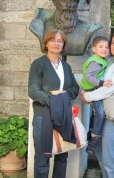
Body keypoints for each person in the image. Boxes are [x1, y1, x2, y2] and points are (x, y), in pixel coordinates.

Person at [81, 31, 114, 178]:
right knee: (100, 153)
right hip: (104, 113)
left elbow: (110, 88)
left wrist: (88, 96)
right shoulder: (109, 61)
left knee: (111, 160)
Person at [28, 29, 80, 178]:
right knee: (43, 156)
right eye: (53, 40)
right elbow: (33, 91)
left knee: (62, 155)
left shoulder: (66, 66)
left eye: (60, 41)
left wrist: (62, 95)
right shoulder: (38, 64)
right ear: (46, 43)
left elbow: (75, 88)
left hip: (63, 115)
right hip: (43, 116)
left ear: (63, 44)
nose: (56, 43)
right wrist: (53, 99)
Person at [29, 0, 103, 56]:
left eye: (73, 1)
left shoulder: (88, 29)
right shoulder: (40, 26)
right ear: (55, 1)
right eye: (64, 0)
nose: (69, 5)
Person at [81, 36, 112, 154]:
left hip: (95, 89)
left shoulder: (102, 60)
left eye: (106, 47)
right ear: (94, 49)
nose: (104, 49)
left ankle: (92, 132)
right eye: (101, 47)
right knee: (100, 113)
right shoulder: (95, 62)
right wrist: (102, 83)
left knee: (98, 113)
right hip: (92, 90)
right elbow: (89, 76)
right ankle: (94, 138)